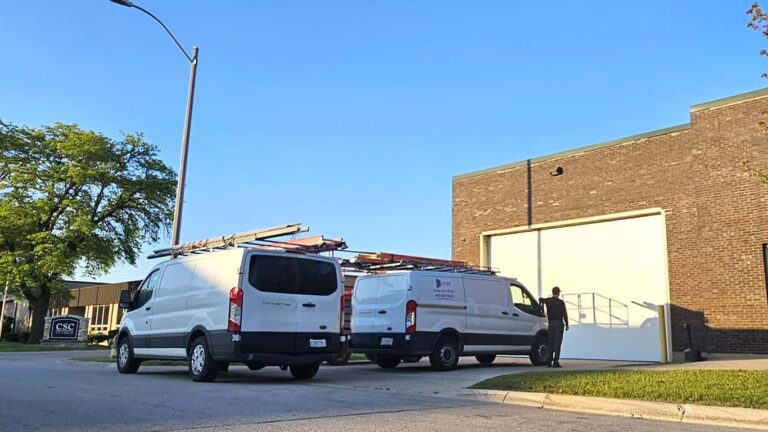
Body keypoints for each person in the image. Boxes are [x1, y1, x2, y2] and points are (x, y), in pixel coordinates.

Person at [543, 286, 569, 367]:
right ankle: (555, 362)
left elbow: (540, 300)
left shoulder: (548, 300)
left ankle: (549, 361)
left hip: (551, 323)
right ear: (558, 293)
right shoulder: (561, 302)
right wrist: (567, 323)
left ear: (552, 292)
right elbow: (564, 313)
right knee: (558, 342)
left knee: (550, 342)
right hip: (559, 323)